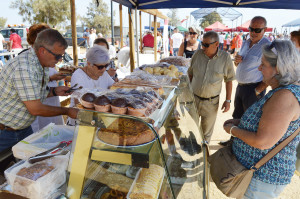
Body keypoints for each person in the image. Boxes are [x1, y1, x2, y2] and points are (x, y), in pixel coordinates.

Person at [223, 40, 300, 199]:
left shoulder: (284, 97)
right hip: (256, 176)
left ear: (277, 69)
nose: (259, 68)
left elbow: (263, 141)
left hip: (262, 178)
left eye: (263, 64)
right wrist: (240, 123)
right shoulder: (281, 91)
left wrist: (232, 130)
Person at [0, 29, 78, 152]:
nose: (59, 60)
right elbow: (35, 108)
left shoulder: (42, 63)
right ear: (42, 51)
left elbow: (32, 94)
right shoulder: (25, 68)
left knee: (31, 164)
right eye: (57, 56)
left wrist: (54, 91)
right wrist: (67, 111)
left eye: (61, 56)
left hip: (23, 128)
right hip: (4, 132)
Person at [220, 16, 271, 146]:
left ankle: (245, 148)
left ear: (264, 30)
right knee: (237, 116)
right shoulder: (246, 42)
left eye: (257, 30)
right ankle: (233, 143)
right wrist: (237, 62)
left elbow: (272, 71)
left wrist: (258, 89)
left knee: (250, 120)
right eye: (251, 29)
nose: (253, 32)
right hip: (241, 86)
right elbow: (241, 64)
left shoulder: (268, 47)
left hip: (254, 88)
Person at [188, 31, 235, 143]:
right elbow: (190, 74)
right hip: (193, 99)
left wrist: (228, 100)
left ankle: (204, 156)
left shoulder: (225, 58)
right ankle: (191, 155)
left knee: (206, 134)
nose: (203, 47)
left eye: (206, 45)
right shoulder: (197, 55)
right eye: (202, 44)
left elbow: (229, 80)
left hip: (211, 103)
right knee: (191, 129)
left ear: (216, 44)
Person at [21, 23, 66, 132]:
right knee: (42, 132)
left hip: (50, 99)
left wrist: (55, 90)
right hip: (39, 107)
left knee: (54, 130)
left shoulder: (46, 56)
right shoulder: (26, 60)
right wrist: (52, 78)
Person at [67, 45, 114, 126]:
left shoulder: (103, 73)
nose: (104, 69)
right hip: (81, 123)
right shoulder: (78, 76)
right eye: (100, 67)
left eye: (106, 66)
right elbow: (78, 103)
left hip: (99, 119)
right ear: (89, 64)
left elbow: (114, 87)